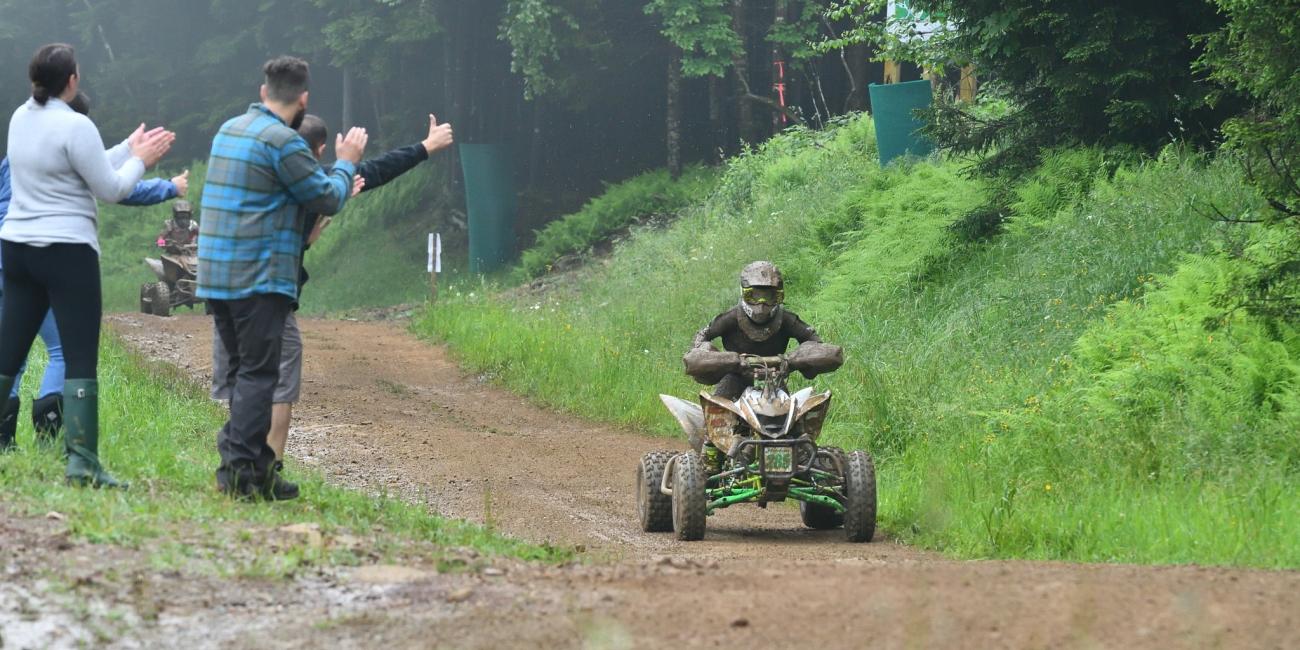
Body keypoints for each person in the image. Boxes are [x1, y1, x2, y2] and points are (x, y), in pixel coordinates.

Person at [209, 112, 453, 472]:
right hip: (270, 291)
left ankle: (240, 460)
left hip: (225, 286)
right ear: (321, 148)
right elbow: (376, 170)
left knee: (242, 376)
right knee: (276, 378)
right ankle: (268, 464)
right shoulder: (317, 180)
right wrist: (425, 148)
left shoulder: (253, 174)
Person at [0, 43, 173, 487]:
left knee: (9, 353)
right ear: (72, 80)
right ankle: (81, 462)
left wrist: (124, 148)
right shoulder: (75, 125)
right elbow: (111, 188)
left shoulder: (22, 118)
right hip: (67, 252)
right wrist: (141, 160)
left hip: (18, 248)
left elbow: (81, 164)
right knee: (78, 355)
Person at [197, 56, 366, 501]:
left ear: (262, 90)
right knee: (258, 375)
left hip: (216, 273)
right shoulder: (284, 142)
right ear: (304, 98)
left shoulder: (228, 130)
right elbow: (327, 198)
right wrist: (347, 162)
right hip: (258, 275)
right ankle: (239, 474)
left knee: (241, 372)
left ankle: (254, 469)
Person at [689, 261, 824, 400]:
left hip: (773, 378)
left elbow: (815, 341)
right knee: (715, 415)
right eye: (754, 295)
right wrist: (709, 356)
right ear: (744, 293)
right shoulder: (730, 317)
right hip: (735, 377)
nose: (761, 303)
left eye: (769, 296)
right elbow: (702, 337)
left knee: (794, 419)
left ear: (778, 296)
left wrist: (794, 361)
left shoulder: (786, 319)